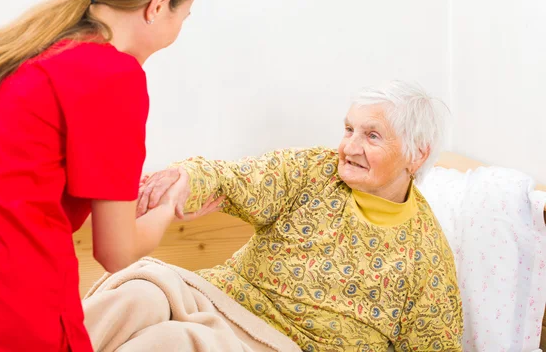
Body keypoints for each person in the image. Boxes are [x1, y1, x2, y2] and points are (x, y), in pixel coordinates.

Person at [0, 0, 201, 350]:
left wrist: (116, 193)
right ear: (158, 4)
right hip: (14, 312)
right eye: (185, 15)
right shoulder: (114, 76)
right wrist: (168, 205)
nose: (182, 26)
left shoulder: (23, 49)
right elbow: (117, 254)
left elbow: (19, 172)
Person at [138, 82, 464, 351]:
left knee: (171, 341)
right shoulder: (312, 171)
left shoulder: (426, 257)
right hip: (220, 302)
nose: (349, 147)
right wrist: (184, 179)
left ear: (417, 154)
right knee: (140, 291)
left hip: (280, 345)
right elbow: (233, 178)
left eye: (372, 136)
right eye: (349, 129)